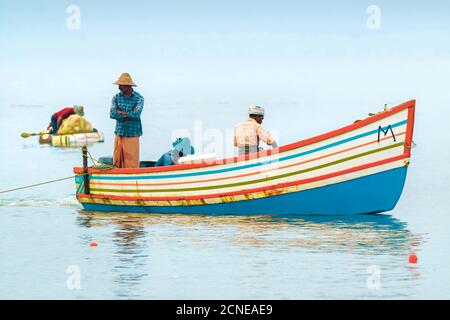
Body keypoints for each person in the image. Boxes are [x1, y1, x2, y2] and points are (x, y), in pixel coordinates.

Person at [110, 73, 144, 168]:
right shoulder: (116, 98)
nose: (119, 87)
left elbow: (137, 114)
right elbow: (112, 114)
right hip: (119, 133)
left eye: (121, 85)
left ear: (128, 86)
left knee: (132, 163)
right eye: (119, 85)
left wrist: (121, 112)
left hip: (133, 133)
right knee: (117, 162)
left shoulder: (139, 98)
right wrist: (128, 114)